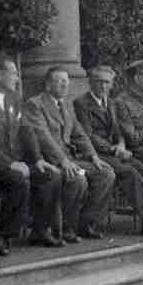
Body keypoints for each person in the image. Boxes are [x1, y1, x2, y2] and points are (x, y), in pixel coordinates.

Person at [0, 56, 64, 255]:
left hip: (18, 163)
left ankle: (40, 230)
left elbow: (26, 131)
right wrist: (10, 163)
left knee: (52, 175)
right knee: (19, 180)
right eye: (13, 73)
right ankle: (4, 236)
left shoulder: (14, 98)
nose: (17, 78)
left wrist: (38, 158)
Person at [74, 65, 143, 237]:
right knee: (129, 173)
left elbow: (118, 131)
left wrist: (120, 144)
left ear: (112, 84)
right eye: (99, 82)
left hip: (115, 151)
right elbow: (88, 135)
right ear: (91, 83)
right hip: (96, 154)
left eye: (107, 83)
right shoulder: (81, 103)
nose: (103, 86)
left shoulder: (111, 103)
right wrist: (113, 149)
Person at [24, 66, 114, 241]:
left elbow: (79, 134)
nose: (65, 85)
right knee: (77, 178)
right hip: (49, 160)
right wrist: (64, 160)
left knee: (106, 174)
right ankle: (65, 228)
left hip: (70, 159)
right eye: (59, 81)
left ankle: (86, 223)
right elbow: (43, 138)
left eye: (67, 81)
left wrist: (94, 157)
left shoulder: (66, 105)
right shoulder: (35, 104)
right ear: (48, 85)